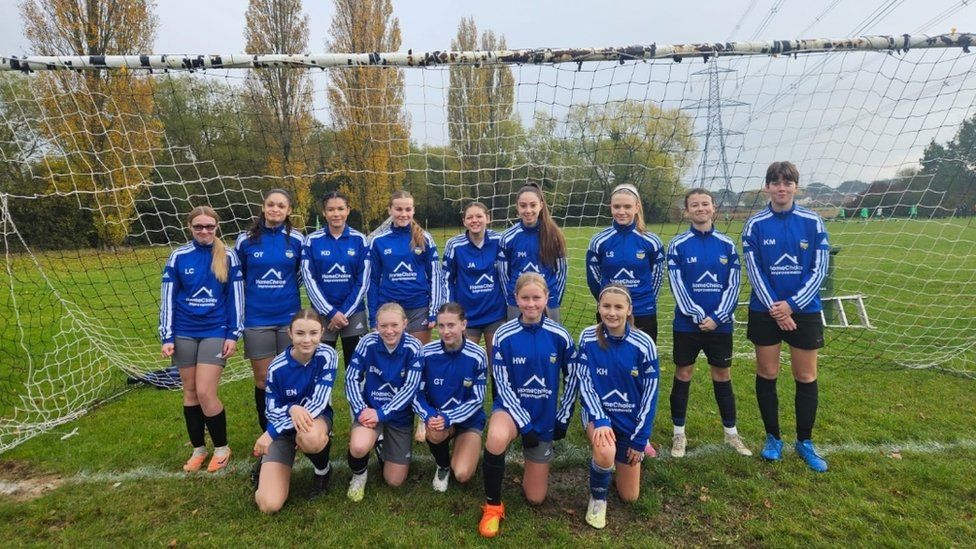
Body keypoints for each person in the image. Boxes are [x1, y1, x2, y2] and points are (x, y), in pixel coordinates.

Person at [742, 161, 830, 472]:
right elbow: (755, 272)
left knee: (805, 376)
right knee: (767, 373)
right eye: (776, 182)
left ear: (796, 186)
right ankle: (773, 438)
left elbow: (819, 270)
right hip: (765, 311)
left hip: (804, 311)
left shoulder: (813, 222)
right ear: (766, 186)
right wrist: (777, 310)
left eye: (787, 182)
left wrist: (791, 305)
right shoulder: (755, 225)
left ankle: (804, 441)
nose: (782, 188)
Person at [478, 272, 578, 538]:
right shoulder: (503, 335)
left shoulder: (561, 335)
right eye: (525, 298)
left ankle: (530, 470)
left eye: (536, 298)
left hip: (544, 415)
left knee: (536, 497)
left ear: (547, 298)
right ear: (516, 299)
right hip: (511, 411)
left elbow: (573, 378)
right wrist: (523, 423)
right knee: (497, 436)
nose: (531, 304)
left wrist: (564, 416)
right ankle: (492, 506)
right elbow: (501, 384)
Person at [666, 188, 751, 458]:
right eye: (695, 205)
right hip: (687, 325)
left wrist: (718, 317)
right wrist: (696, 314)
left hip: (720, 325)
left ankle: (731, 434)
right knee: (683, 374)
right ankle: (679, 434)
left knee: (723, 375)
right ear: (687, 211)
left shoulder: (727, 246)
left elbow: (733, 285)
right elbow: (677, 286)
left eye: (705, 204)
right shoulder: (677, 245)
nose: (700, 208)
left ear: (713, 208)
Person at [159, 205, 243, 473]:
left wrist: (233, 333)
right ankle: (199, 449)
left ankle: (221, 448)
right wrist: (167, 335)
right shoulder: (178, 256)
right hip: (184, 332)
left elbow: (236, 299)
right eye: (198, 226)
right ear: (190, 228)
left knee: (206, 391)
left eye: (209, 226)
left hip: (215, 331)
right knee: (191, 392)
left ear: (217, 227)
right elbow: (168, 298)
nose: (204, 231)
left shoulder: (228, 256)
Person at [576, 284, 659, 529]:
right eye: (606, 306)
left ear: (629, 310)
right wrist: (599, 419)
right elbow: (585, 384)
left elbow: (650, 394)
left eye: (618, 307)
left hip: (630, 422)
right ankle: (598, 499)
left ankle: (623, 459)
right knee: (604, 451)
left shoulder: (644, 343)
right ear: (599, 308)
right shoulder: (588, 337)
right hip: (598, 416)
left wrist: (640, 438)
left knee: (630, 496)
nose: (612, 312)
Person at [234, 189, 304, 438]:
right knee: (263, 380)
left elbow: (299, 276)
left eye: (281, 206)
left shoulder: (297, 240)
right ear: (263, 208)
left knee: (289, 377)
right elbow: (240, 276)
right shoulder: (245, 240)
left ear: (289, 211)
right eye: (271, 205)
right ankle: (269, 434)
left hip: (288, 320)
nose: (275, 209)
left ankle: (294, 432)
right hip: (257, 320)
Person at [252, 309, 338, 513]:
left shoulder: (328, 355)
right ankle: (267, 468)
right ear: (290, 333)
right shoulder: (277, 366)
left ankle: (323, 470)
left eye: (313, 333)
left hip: (315, 421)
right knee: (268, 505)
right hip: (282, 431)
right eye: (300, 333)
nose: (307, 340)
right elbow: (271, 410)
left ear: (322, 333)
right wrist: (291, 409)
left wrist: (271, 432)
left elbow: (318, 403)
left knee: (309, 436)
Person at [344, 303, 424, 501]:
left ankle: (382, 443)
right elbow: (350, 378)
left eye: (395, 325)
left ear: (405, 324)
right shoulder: (367, 343)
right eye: (384, 326)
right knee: (359, 447)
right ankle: (359, 475)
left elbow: (410, 389)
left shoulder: (414, 347)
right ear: (376, 326)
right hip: (370, 412)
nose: (389, 331)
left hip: (399, 417)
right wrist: (361, 409)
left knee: (394, 481)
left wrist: (382, 413)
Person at [413, 303, 488, 492]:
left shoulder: (478, 355)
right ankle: (442, 465)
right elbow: (416, 393)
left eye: (451, 325)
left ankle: (465, 445)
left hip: (469, 421)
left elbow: (477, 399)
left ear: (463, 325)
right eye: (441, 326)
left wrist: (450, 417)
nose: (446, 331)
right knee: (434, 432)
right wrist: (430, 415)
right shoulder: (426, 353)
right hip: (439, 420)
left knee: (462, 474)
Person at [585, 183, 665, 342]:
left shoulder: (652, 241)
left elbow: (657, 278)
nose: (621, 212)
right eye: (617, 207)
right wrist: (608, 302)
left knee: (642, 359)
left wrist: (643, 301)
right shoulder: (599, 241)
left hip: (643, 310)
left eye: (627, 206)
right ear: (611, 207)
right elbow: (593, 279)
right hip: (611, 312)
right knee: (608, 358)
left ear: (636, 207)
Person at [366, 190, 444, 344]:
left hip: (418, 309)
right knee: (390, 362)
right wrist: (373, 316)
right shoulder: (378, 241)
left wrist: (434, 311)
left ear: (413, 210)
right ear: (390, 210)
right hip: (388, 309)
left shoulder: (424, 238)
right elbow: (372, 281)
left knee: (418, 360)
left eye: (408, 209)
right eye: (398, 209)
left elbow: (435, 275)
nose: (403, 214)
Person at [302, 191, 369, 368]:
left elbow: (363, 281)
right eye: (331, 209)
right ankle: (322, 397)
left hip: (354, 313)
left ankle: (355, 397)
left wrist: (343, 313)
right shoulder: (311, 240)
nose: (336, 214)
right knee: (319, 368)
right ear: (324, 213)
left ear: (348, 210)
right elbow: (309, 280)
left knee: (357, 369)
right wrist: (330, 312)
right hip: (323, 314)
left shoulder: (360, 240)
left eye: (340, 209)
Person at [442, 201, 506, 358]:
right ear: (464, 221)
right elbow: (446, 279)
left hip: (495, 314)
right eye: (469, 217)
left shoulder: (500, 240)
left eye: (479, 216)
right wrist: (452, 310)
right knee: (464, 362)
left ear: (488, 218)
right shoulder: (454, 245)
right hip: (467, 315)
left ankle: (497, 384)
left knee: (497, 364)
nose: (474, 220)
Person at [499, 184, 568, 322]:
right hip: (517, 302)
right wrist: (512, 298)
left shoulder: (553, 234)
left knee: (549, 342)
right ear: (517, 207)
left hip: (548, 300)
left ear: (541, 205)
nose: (528, 210)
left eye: (533, 205)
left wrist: (554, 297)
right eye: (523, 206)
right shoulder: (507, 237)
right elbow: (503, 274)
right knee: (518, 342)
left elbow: (562, 271)